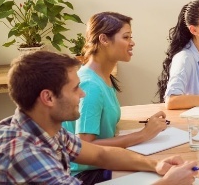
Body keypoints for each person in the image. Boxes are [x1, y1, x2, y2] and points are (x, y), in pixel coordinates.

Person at [0, 51, 199, 184]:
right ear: (48, 97)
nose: (83, 94)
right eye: (75, 88)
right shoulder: (24, 155)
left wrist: (156, 165)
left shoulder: (43, 127)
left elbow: (101, 155)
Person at [63, 12, 168, 184]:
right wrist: (142, 135)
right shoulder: (91, 86)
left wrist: (146, 128)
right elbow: (85, 146)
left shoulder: (102, 77)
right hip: (84, 175)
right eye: (126, 37)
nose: (132, 42)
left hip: (102, 163)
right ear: (104, 40)